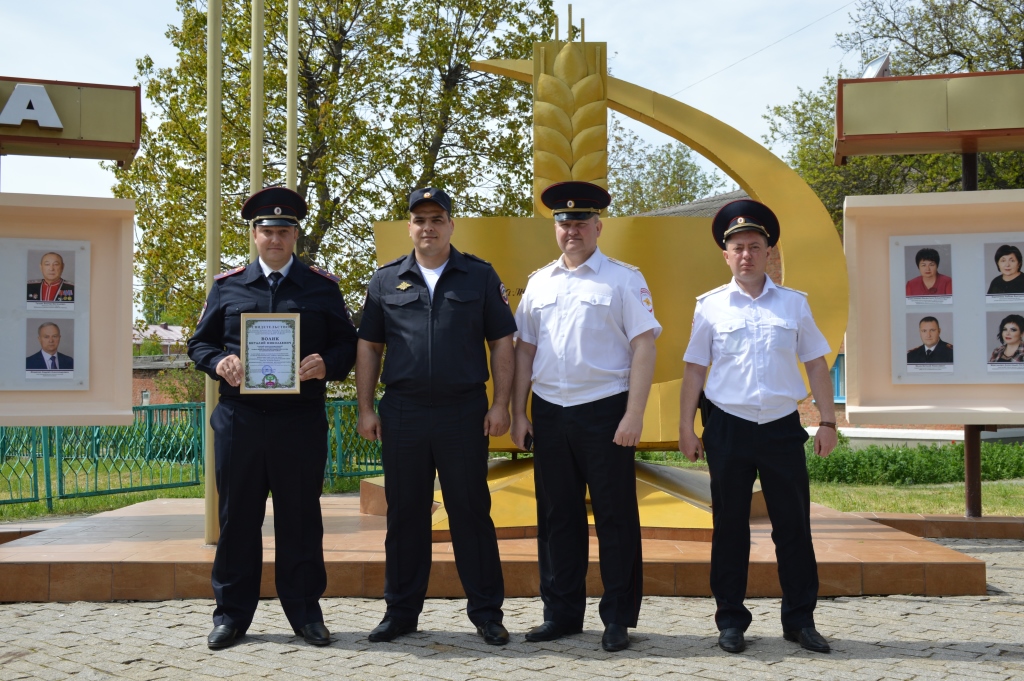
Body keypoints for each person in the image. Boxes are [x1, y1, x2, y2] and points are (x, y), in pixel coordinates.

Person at [188, 186, 358, 650]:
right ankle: (231, 616)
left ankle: (305, 614)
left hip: (299, 421)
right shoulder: (227, 286)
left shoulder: (322, 287)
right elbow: (198, 344)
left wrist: (327, 363)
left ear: (295, 235)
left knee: (300, 519)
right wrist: (218, 361)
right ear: (254, 235)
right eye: (267, 231)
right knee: (237, 519)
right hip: (240, 420)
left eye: (284, 231)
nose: (275, 239)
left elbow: (349, 344)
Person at [355, 188, 516, 646]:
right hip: (403, 411)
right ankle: (400, 612)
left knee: (470, 512)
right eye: (420, 219)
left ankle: (487, 613)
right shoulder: (385, 280)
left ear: (450, 225)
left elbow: (501, 342)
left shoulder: (479, 276)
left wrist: (501, 404)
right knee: (405, 516)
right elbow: (369, 346)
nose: (428, 227)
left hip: (462, 412)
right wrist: (366, 408)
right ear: (409, 227)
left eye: (437, 219)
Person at [678, 199, 837, 655]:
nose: (746, 255)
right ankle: (730, 621)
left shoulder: (794, 304)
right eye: (738, 248)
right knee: (730, 528)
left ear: (769, 253)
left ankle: (800, 621)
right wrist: (686, 427)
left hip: (781, 428)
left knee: (793, 527)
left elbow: (816, 364)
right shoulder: (710, 307)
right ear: (726, 255)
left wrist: (827, 421)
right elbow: (695, 369)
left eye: (754, 246)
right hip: (727, 426)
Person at [510, 181, 660, 653]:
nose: (571, 230)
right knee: (558, 517)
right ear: (555, 228)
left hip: (606, 410)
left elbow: (644, 346)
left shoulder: (623, 278)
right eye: (563, 222)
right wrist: (518, 412)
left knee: (615, 517)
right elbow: (524, 350)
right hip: (550, 411)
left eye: (580, 222)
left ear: (598, 226)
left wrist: (634, 414)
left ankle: (617, 617)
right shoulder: (539, 282)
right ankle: (561, 612)